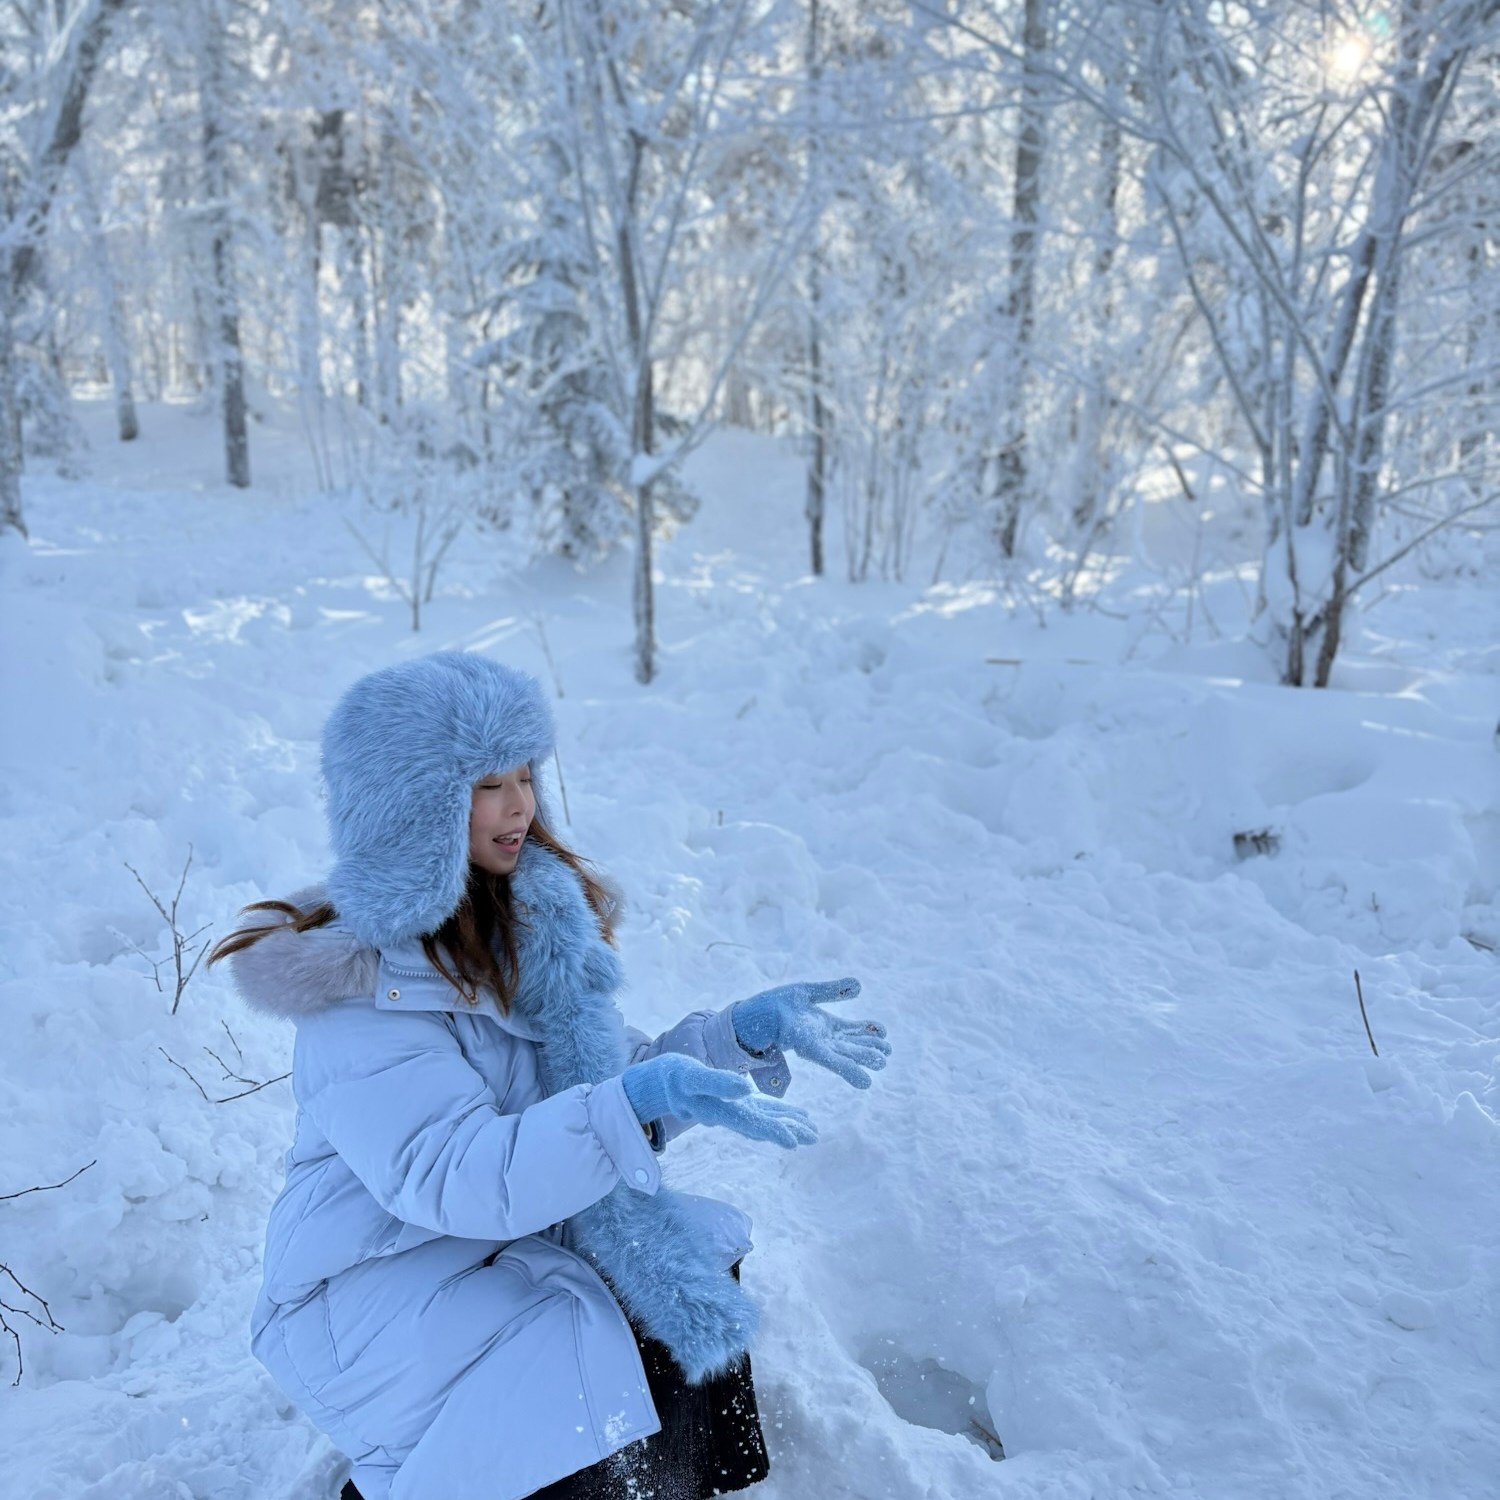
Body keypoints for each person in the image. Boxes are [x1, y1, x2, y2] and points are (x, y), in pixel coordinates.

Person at [208, 651, 890, 1500]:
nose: (520, 805)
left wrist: (728, 1041)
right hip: (369, 1289)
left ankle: (681, 1481)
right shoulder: (359, 1002)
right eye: (487, 783)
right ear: (409, 803)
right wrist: (630, 1105)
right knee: (568, 1363)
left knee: (688, 1262)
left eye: (525, 773)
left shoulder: (523, 925)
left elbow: (604, 1088)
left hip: (487, 1241)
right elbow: (454, 1173)